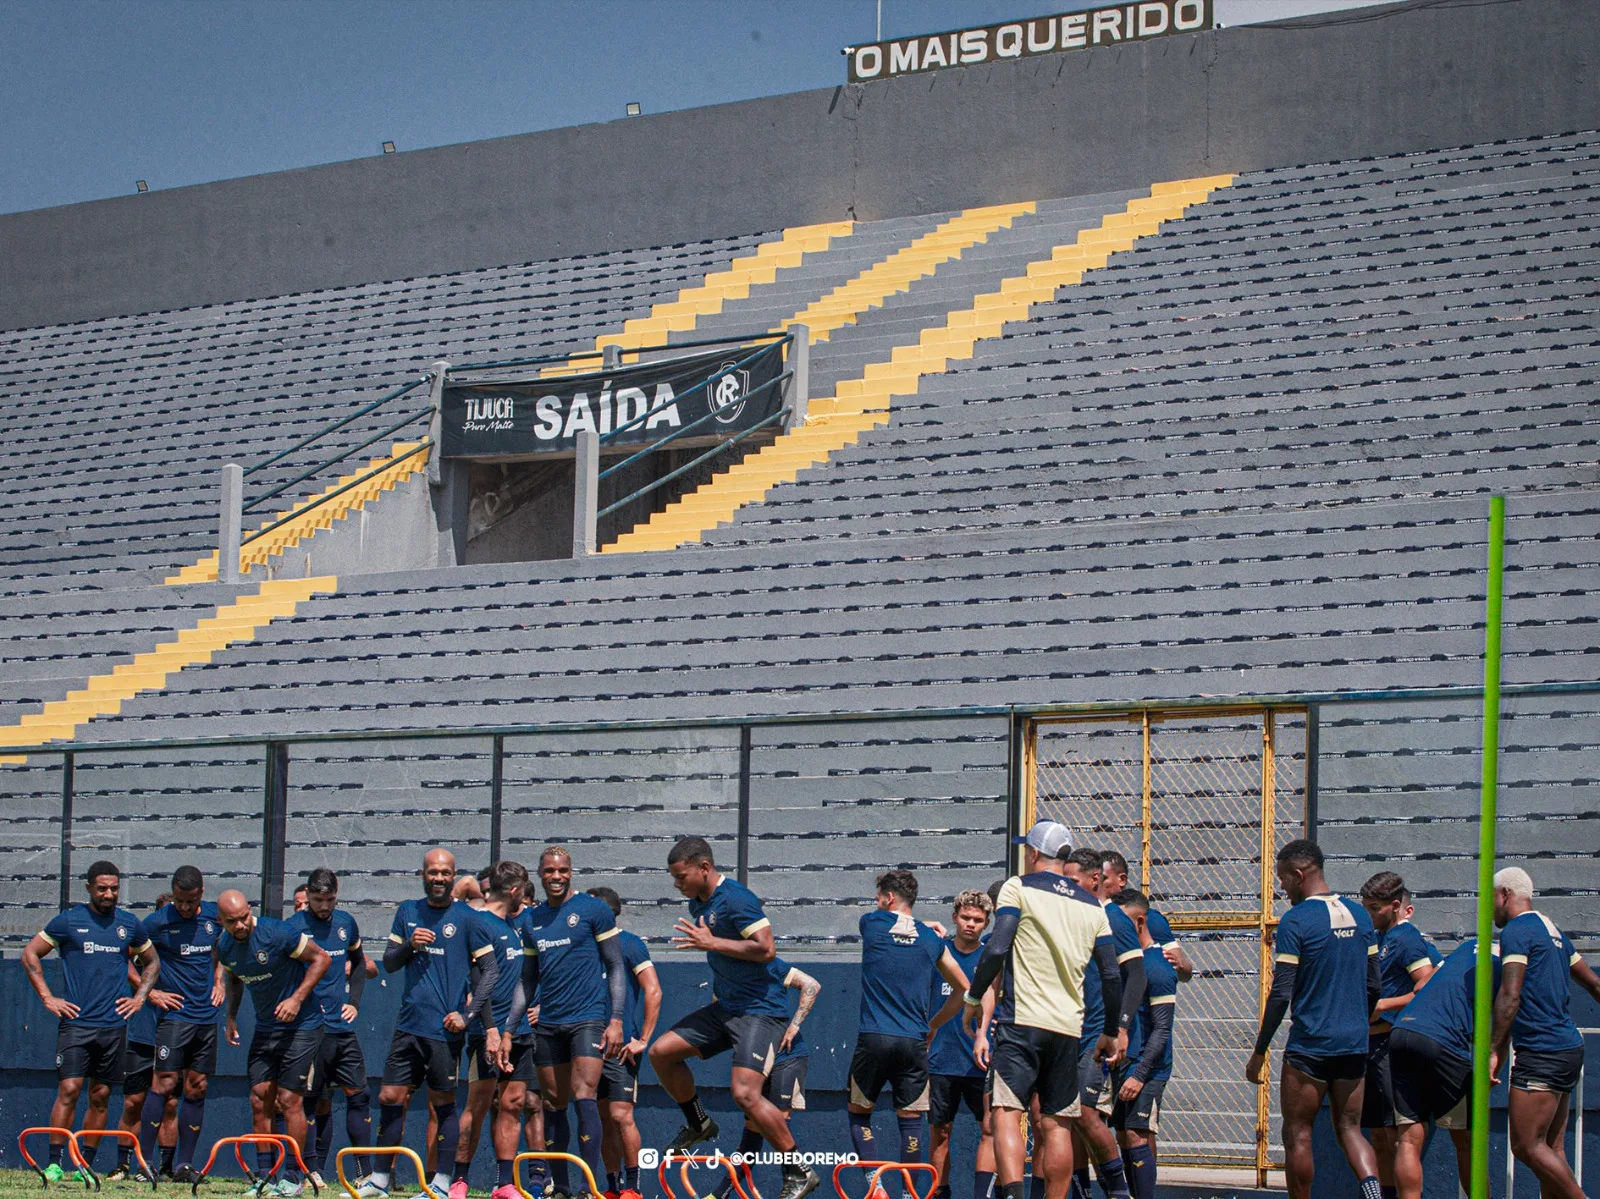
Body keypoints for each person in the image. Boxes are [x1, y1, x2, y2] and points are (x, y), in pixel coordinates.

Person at [647, 836, 821, 1199]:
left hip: (760, 1011)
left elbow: (766, 948)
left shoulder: (738, 899)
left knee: (745, 1094)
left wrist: (712, 943)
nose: (677, 884)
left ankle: (798, 1170)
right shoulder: (699, 903)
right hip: (726, 1009)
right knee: (661, 1053)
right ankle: (699, 1123)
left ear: (704, 868)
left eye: (681, 876)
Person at [964, 821, 1122, 1199]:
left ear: (1034, 853)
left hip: (1022, 1022)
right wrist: (1110, 1031)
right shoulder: (1092, 905)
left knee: (1006, 1112)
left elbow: (997, 948)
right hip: (1068, 1029)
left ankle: (1015, 1195)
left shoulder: (1019, 886)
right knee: (1057, 1125)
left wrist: (973, 998)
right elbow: (1112, 975)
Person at [1245, 839, 1381, 1199]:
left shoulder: (1297, 920)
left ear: (1299, 873)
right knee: (1351, 1129)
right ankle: (1372, 1192)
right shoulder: (1361, 915)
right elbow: (1374, 985)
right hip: (1353, 1044)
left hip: (1310, 1047)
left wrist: (1260, 1050)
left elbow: (1281, 993)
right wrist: (1356, 1023)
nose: (1282, 887)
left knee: (1298, 1132)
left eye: (1283, 879)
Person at [364, 849, 499, 1199]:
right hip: (408, 1025)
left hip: (444, 1030)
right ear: (423, 874)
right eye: (433, 872)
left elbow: (491, 972)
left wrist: (468, 1016)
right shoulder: (408, 911)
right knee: (389, 1095)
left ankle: (440, 1183)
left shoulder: (468, 918)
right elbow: (391, 963)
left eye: (445, 873)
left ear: (454, 876)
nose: (438, 878)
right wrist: (410, 944)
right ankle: (380, 1179)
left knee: (443, 1105)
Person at [22, 861, 160, 1183]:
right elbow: (30, 955)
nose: (109, 894)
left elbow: (153, 962)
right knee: (69, 1089)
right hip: (76, 1024)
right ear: (88, 888)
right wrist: (48, 998)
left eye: (114, 888)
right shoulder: (69, 921)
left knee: (100, 1095)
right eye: (102, 888)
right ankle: (55, 1163)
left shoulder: (129, 924)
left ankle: (85, 1163)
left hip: (113, 1027)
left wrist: (140, 997)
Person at [847, 869, 971, 1195]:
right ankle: (909, 1194)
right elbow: (964, 988)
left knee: (860, 1115)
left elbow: (894, 925)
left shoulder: (872, 924)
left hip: (874, 1036)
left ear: (888, 899)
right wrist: (934, 1025)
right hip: (914, 1040)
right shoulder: (932, 940)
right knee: (912, 1123)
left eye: (878, 899)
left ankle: (874, 1186)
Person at [521, 848, 628, 1199]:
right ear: (539, 873)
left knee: (585, 1096)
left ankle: (588, 1188)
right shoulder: (531, 920)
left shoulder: (592, 909)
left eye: (563, 870)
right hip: (549, 1023)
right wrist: (508, 1028)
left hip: (588, 1018)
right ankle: (561, 1188)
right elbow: (528, 979)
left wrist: (615, 1020)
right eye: (550, 870)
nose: (556, 876)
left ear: (571, 872)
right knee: (553, 1103)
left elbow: (615, 966)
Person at [1489, 866, 1600, 1199]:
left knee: (1525, 1146)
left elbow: (1510, 995)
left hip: (1542, 1053)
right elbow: (1593, 983)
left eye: (1491, 898)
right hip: (1567, 1050)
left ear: (1505, 895)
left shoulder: (1517, 930)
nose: (1490, 907)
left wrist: (1494, 1049)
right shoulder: (1551, 928)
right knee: (1551, 1148)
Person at [216, 889, 332, 1198]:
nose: (240, 926)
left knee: (288, 1100)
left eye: (243, 919)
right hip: (267, 1028)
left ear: (249, 911)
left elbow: (322, 958)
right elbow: (236, 978)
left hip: (303, 1025)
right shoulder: (226, 946)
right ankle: (264, 1177)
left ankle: (294, 1176)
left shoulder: (277, 933)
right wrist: (231, 1016)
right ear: (221, 922)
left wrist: (296, 998)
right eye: (232, 922)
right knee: (259, 1099)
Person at [1387, 939, 1502, 1199]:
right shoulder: (1511, 963)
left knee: (1407, 1138)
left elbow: (1421, 984)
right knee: (1466, 1141)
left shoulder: (1470, 945)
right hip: (1444, 1040)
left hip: (1403, 1030)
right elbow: (1507, 1009)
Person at [135, 866, 224, 1185]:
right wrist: (150, 992)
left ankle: (185, 1164)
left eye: (190, 901)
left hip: (206, 1017)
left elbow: (224, 950)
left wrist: (220, 980)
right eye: (179, 901)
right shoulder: (157, 923)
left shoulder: (215, 917)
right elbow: (125, 957)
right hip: (175, 1017)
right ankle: (144, 1164)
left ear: (201, 893)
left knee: (197, 1086)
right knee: (164, 1083)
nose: (184, 908)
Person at [453, 861, 535, 1199]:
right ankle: (458, 1180)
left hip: (519, 1031)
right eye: (524, 892)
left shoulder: (514, 923)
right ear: (515, 891)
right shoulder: (478, 922)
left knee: (513, 1103)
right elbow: (478, 981)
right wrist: (489, 1028)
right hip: (488, 1031)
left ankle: (504, 1183)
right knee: (479, 1104)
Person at [288, 869, 372, 1192]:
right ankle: (311, 1171)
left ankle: (365, 1173)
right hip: (309, 1028)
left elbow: (360, 962)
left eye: (330, 899)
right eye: (318, 900)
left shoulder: (346, 923)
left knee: (359, 1094)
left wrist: (355, 1001)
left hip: (341, 1027)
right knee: (313, 1101)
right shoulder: (295, 927)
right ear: (308, 895)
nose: (324, 906)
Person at [712, 957, 823, 1199]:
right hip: (757, 1061)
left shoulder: (767, 963)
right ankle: (719, 1194)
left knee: (775, 1123)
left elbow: (811, 984)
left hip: (787, 1056)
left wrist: (794, 1026)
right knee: (752, 1133)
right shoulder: (724, 982)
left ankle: (796, 1181)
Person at [1357, 872, 1439, 1199]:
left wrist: (1383, 1006)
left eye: (1374, 908)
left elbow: (1428, 985)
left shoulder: (1406, 938)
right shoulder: (1380, 938)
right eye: (1365, 908)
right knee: (1378, 1134)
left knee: (1399, 1136)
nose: (1369, 915)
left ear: (1395, 906)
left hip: (1392, 1049)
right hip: (1369, 1046)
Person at [1062, 849, 1136, 1199]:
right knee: (1067, 1119)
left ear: (1095, 880)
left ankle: (1119, 1191)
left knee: (1087, 1114)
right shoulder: (1071, 915)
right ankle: (1081, 1192)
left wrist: (1120, 1029)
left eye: (1073, 881)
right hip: (1068, 1031)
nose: (1066, 886)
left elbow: (1135, 975)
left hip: (1097, 1034)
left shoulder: (1114, 918)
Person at [587, 887, 661, 1199]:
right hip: (585, 1044)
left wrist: (643, 1039)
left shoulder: (629, 944)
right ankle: (612, 1186)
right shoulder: (583, 947)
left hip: (620, 1046)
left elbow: (653, 990)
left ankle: (633, 1188)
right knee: (602, 1118)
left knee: (620, 1115)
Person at [1107, 892, 1176, 1199]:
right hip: (1124, 1062)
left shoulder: (1158, 967)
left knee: (1137, 1134)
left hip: (1148, 1070)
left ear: (1138, 922)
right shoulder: (1127, 963)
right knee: (1123, 1135)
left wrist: (1140, 1074)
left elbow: (1162, 1029)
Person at [110, 892, 180, 1183]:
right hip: (142, 1034)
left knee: (171, 1104)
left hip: (176, 1034)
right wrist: (148, 991)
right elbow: (120, 959)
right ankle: (123, 1165)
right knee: (133, 1101)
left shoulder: (185, 952)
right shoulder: (141, 947)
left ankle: (163, 1168)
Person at [927, 891, 992, 1199]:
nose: (971, 924)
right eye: (965, 918)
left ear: (987, 924)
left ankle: (987, 1193)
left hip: (982, 1061)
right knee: (940, 1132)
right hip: (941, 1059)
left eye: (978, 920)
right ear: (954, 918)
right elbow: (900, 927)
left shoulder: (992, 958)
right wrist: (926, 925)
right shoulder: (936, 952)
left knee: (990, 1131)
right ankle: (939, 1192)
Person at [1096, 854, 1192, 982]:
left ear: (1122, 880)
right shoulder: (1091, 915)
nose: (1097, 884)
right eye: (1095, 879)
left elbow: (1186, 973)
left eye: (1104, 879)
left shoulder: (1148, 918)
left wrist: (1179, 965)